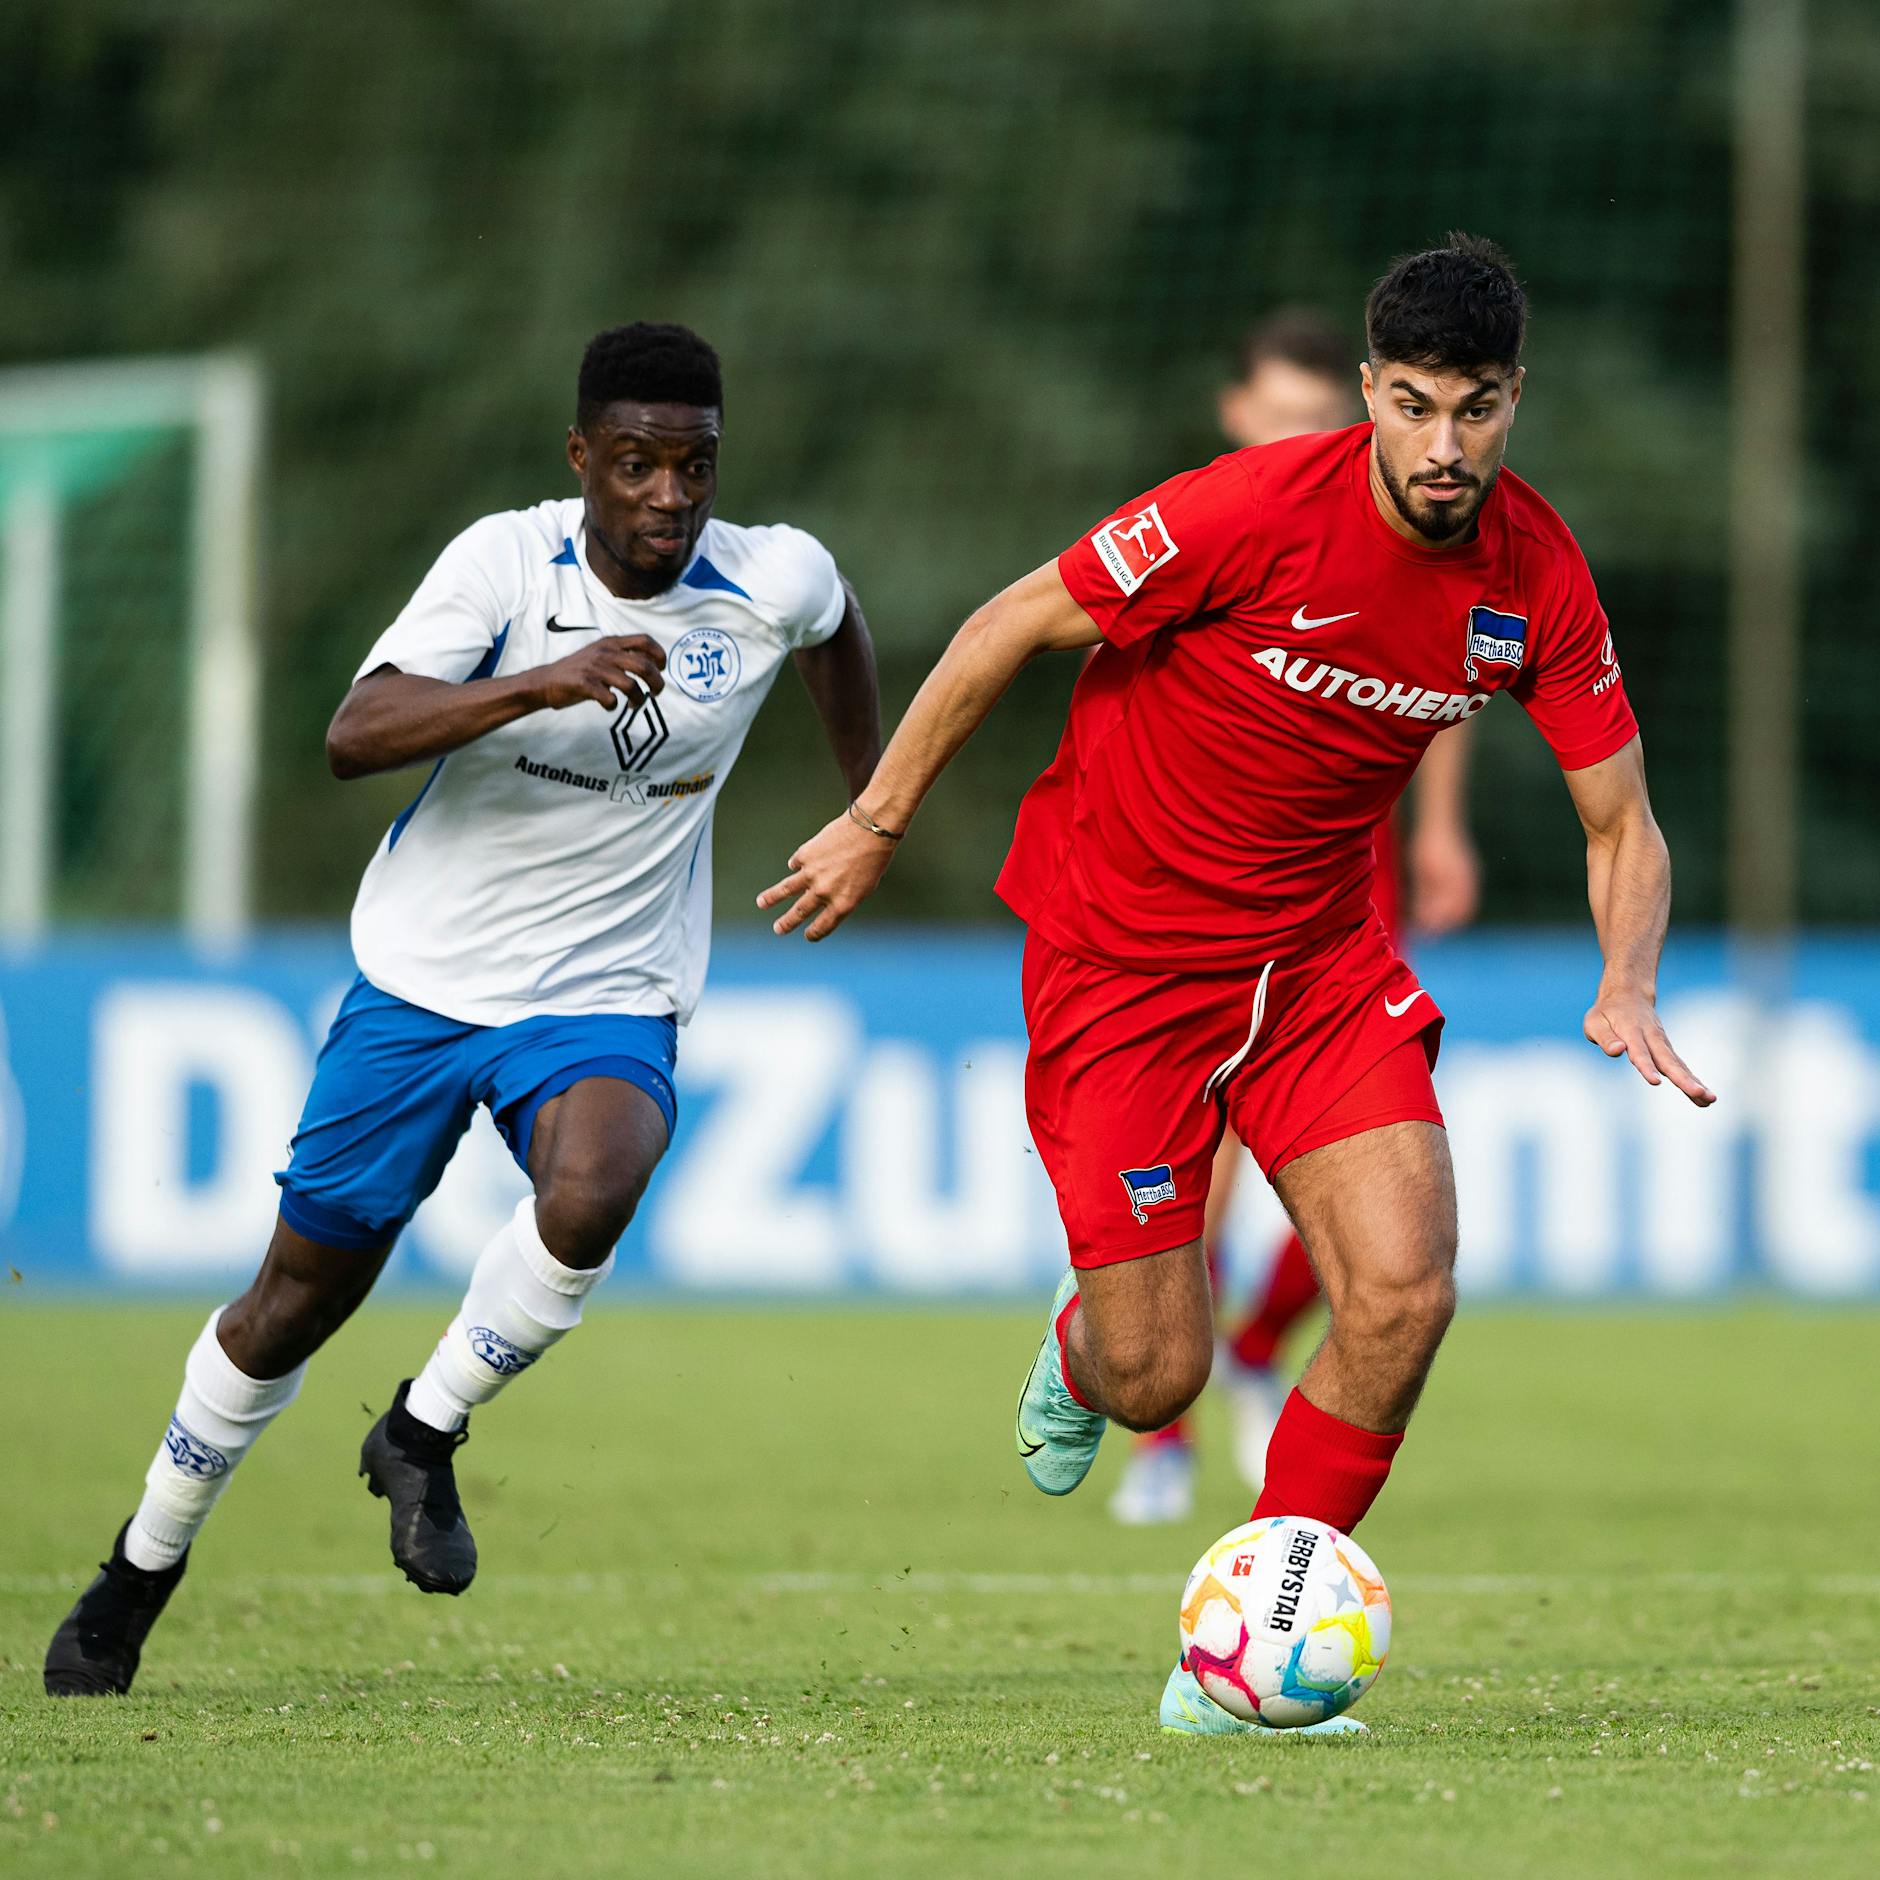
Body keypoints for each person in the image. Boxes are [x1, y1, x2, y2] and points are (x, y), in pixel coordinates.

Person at [760, 236, 1712, 1737]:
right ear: (1368, 393)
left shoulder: (1537, 576)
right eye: (1412, 406)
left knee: (1404, 1291)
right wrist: (875, 823)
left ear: (1515, 398)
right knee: (1157, 1379)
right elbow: (1016, 617)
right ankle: (1086, 1349)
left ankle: (1253, 1656)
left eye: (1475, 409)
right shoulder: (1252, 511)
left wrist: (1630, 975)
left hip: (1321, 966)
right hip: (1122, 962)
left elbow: (1621, 813)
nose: (1443, 446)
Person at [45, 322, 882, 1697]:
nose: (669, 496)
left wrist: (869, 805)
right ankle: (140, 1569)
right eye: (636, 464)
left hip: (608, 992)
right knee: (288, 1306)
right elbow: (351, 734)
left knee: (601, 1182)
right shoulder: (505, 561)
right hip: (424, 988)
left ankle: (423, 1434)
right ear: (581, 460)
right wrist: (535, 682)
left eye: (695, 466)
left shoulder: (767, 575)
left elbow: (836, 629)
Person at [1110, 310, 1483, 1527]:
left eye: (1315, 423)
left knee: (1383, 1201)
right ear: (1235, 415)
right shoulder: (1206, 527)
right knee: (1197, 1184)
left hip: (1341, 888)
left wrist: (1436, 829)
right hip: (1200, 897)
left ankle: (1260, 1344)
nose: (1296, 441)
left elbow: (1446, 676)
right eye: (1275, 417)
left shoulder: (1388, 524)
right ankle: (1162, 1434)